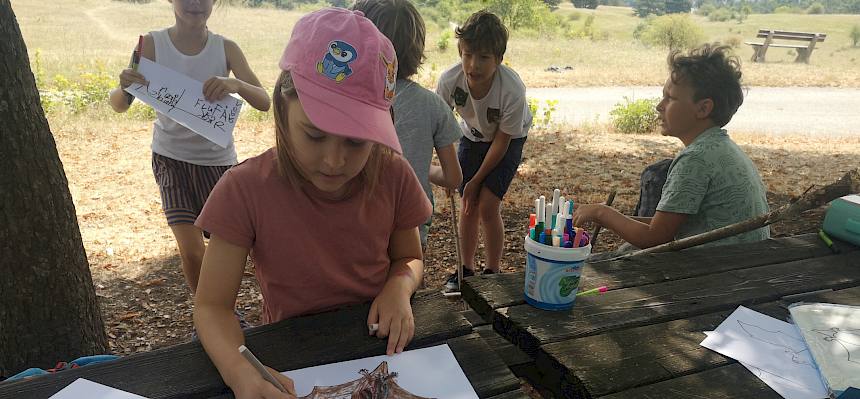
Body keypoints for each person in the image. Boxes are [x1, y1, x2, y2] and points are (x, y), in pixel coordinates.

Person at [192, 8, 432, 398]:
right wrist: (238, 370)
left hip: (379, 348)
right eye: (315, 136)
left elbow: (409, 257)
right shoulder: (244, 189)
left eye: (356, 141)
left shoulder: (392, 174)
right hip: (291, 357)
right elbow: (212, 307)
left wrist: (398, 288)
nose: (335, 161)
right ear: (282, 109)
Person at [108, 0, 270, 294]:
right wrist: (124, 86)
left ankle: (222, 310)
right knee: (192, 251)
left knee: (230, 250)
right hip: (170, 160)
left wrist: (236, 85)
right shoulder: (152, 45)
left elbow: (264, 101)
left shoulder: (226, 48)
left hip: (219, 164)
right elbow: (120, 104)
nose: (195, 3)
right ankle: (204, 316)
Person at [572, 43, 770, 249]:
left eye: (670, 98)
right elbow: (665, 227)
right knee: (627, 250)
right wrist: (606, 217)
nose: (659, 106)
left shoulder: (695, 159)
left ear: (703, 108)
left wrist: (601, 213)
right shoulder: (719, 147)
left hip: (722, 270)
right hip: (746, 260)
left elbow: (654, 237)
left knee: (625, 257)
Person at [351, 0, 463, 248]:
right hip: (412, 213)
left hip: (358, 214)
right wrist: (423, 169)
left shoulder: (350, 100)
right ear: (417, 49)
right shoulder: (432, 104)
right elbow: (453, 177)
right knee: (409, 270)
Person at [436, 10, 532, 290]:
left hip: (509, 140)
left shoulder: (512, 89)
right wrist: (448, 171)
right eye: (467, 55)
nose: (473, 65)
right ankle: (465, 270)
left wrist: (476, 180)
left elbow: (502, 141)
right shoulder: (448, 81)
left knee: (488, 205)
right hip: (472, 136)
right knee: (468, 204)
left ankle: (493, 271)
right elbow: (439, 128)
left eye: (484, 57)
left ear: (499, 59)